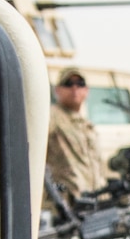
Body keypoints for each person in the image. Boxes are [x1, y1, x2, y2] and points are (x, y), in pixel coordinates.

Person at [45, 67, 105, 205]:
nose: (74, 89)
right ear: (57, 90)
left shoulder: (85, 124)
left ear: (86, 90)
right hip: (65, 204)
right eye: (68, 84)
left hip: (91, 201)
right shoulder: (52, 116)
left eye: (80, 84)